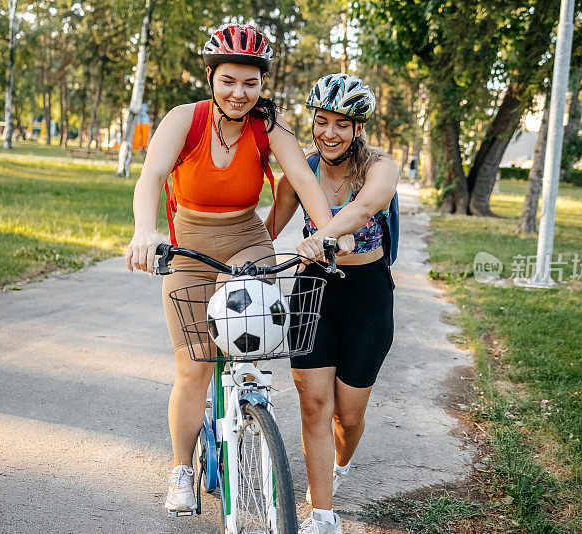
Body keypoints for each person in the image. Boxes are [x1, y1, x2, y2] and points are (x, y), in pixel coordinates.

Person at [124, 24, 350, 514]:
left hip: (247, 242)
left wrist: (328, 230)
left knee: (249, 347)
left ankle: (249, 412)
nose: (239, 93)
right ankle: (182, 470)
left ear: (262, 85)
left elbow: (304, 181)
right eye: (229, 80)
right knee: (194, 368)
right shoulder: (185, 119)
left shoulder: (266, 129)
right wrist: (145, 230)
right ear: (211, 77)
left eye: (250, 83)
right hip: (189, 249)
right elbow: (152, 176)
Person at [264, 73, 399, 534]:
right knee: (313, 404)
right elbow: (267, 233)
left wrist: (321, 235)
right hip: (312, 293)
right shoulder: (301, 173)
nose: (329, 133)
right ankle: (323, 516)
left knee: (349, 414)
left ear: (358, 128)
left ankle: (339, 464)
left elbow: (364, 210)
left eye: (342, 124)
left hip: (368, 297)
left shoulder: (381, 165)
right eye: (322, 122)